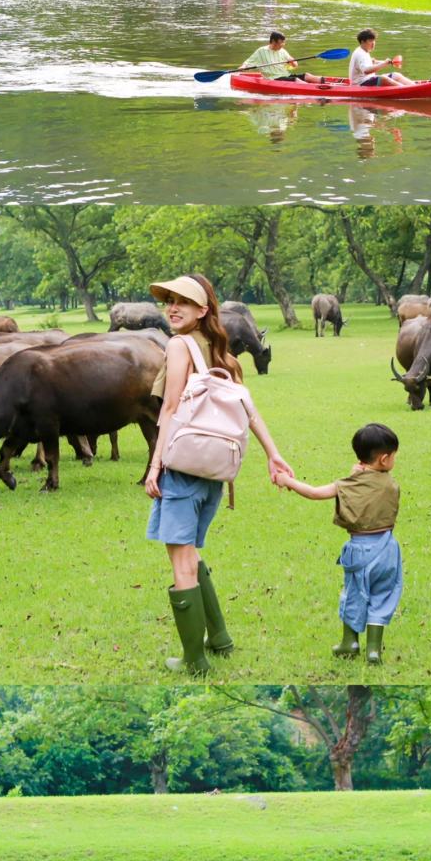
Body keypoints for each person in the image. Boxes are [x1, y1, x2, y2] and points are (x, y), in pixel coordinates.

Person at [145, 273, 293, 675]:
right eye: (169, 301)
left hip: (182, 468)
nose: (172, 308)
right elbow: (248, 408)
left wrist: (155, 465)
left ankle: (195, 662)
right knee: (191, 554)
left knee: (181, 565)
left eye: (183, 302)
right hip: (214, 472)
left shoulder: (179, 345)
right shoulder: (223, 353)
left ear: (202, 310)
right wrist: (273, 454)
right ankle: (220, 638)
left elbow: (171, 408)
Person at [275, 422, 401, 665]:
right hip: (387, 549)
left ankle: (350, 642)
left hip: (359, 550)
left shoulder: (346, 485)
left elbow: (314, 492)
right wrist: (361, 475)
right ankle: (373, 649)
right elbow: (374, 486)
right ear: (384, 459)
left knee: (354, 594)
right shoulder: (392, 484)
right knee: (382, 596)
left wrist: (286, 480)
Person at [240, 30, 324, 83]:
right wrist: (243, 67)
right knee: (296, 80)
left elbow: (295, 65)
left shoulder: (283, 51)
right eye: (281, 43)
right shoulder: (261, 51)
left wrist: (292, 62)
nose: (282, 45)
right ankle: (315, 89)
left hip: (285, 75)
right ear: (273, 41)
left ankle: (326, 83)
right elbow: (248, 62)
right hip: (273, 79)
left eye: (284, 43)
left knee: (307, 75)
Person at [348, 28, 414, 88]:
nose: (373, 43)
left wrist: (374, 63)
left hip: (368, 80)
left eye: (374, 41)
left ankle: (414, 86)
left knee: (396, 75)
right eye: (370, 41)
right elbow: (366, 71)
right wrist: (384, 64)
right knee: (382, 78)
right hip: (360, 84)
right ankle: (408, 90)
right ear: (362, 42)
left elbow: (365, 67)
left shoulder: (363, 51)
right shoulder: (360, 54)